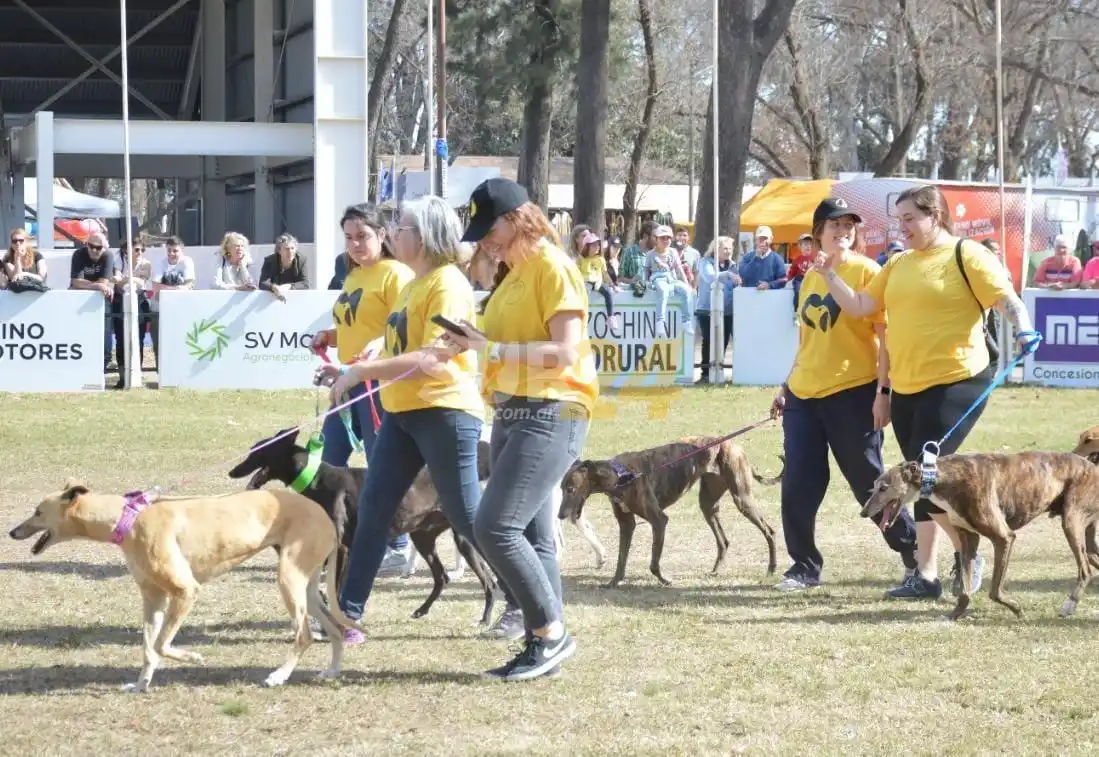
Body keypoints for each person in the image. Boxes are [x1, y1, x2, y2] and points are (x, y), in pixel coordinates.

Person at [815, 185, 1040, 600]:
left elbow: (1005, 298)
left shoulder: (965, 255)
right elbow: (863, 306)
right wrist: (828, 274)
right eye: (898, 219)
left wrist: (1023, 326)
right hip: (908, 386)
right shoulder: (898, 263)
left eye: (909, 218)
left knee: (923, 470)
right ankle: (949, 563)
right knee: (925, 479)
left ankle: (934, 571)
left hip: (958, 380)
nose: (902, 227)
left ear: (935, 216)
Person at [441, 176, 597, 681]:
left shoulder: (552, 266)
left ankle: (551, 634)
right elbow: (505, 343)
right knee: (530, 532)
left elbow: (566, 351)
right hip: (515, 408)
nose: (485, 238)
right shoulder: (512, 273)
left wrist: (493, 349)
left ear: (516, 219)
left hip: (552, 408)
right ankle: (544, 641)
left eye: (490, 227)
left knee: (494, 525)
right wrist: (474, 342)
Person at [322, 195, 484, 645]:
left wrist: (362, 372)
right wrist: (351, 366)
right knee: (373, 510)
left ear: (427, 235)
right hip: (402, 413)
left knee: (468, 516)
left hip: (444, 410)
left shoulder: (447, 284)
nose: (394, 233)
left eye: (404, 226)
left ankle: (522, 602)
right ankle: (347, 613)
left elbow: (433, 359)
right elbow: (398, 349)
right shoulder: (415, 283)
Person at [770, 198, 918, 591]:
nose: (843, 231)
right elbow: (808, 340)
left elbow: (885, 339)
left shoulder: (868, 271)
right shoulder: (810, 275)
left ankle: (913, 551)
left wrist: (883, 391)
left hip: (853, 394)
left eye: (849, 225)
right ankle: (803, 566)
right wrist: (787, 385)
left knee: (869, 481)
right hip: (804, 396)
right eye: (834, 225)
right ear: (817, 231)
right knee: (799, 482)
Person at [312, 204, 417, 585]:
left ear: (383, 235)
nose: (355, 244)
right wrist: (330, 337)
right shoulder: (355, 275)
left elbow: (399, 331)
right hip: (347, 383)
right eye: (349, 237)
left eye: (363, 236)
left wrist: (366, 362)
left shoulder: (397, 275)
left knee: (382, 465)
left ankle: (400, 545)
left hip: (378, 384)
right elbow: (358, 326)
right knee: (329, 461)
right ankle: (329, 538)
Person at [695, 236, 736, 384]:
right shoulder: (705, 262)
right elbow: (711, 277)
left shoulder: (733, 265)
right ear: (716, 249)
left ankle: (719, 371)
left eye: (731, 249)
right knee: (709, 340)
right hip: (707, 309)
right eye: (725, 248)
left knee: (723, 341)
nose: (728, 252)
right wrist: (728, 275)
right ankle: (705, 373)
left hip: (727, 311)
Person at [645, 225, 696, 337]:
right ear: (656, 239)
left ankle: (686, 321)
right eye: (662, 238)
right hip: (658, 278)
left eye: (668, 238)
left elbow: (679, 268)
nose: (666, 240)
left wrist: (687, 284)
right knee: (663, 290)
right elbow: (646, 270)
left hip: (672, 278)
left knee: (685, 291)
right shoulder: (650, 254)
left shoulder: (673, 252)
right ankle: (660, 321)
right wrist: (646, 283)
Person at [576, 230, 619, 330]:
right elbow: (576, 273)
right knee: (584, 296)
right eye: (594, 245)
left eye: (598, 245)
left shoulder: (600, 259)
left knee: (608, 293)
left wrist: (613, 285)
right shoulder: (581, 259)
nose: (597, 247)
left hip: (598, 283)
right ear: (587, 246)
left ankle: (610, 317)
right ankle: (582, 318)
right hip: (585, 283)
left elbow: (605, 274)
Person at [259, 233, 310, 300]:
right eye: (287, 249)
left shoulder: (302, 260)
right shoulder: (269, 261)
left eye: (292, 248)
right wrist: (273, 287)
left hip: (296, 296)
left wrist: (289, 286)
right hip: (275, 296)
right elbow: (262, 283)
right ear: (279, 250)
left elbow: (305, 284)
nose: (290, 252)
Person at [738, 226, 787, 290]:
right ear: (756, 240)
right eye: (760, 238)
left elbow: (783, 280)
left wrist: (769, 285)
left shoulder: (777, 259)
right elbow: (743, 276)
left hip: (770, 297)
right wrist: (756, 258)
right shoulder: (747, 257)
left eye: (765, 238)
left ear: (771, 239)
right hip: (749, 297)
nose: (763, 241)